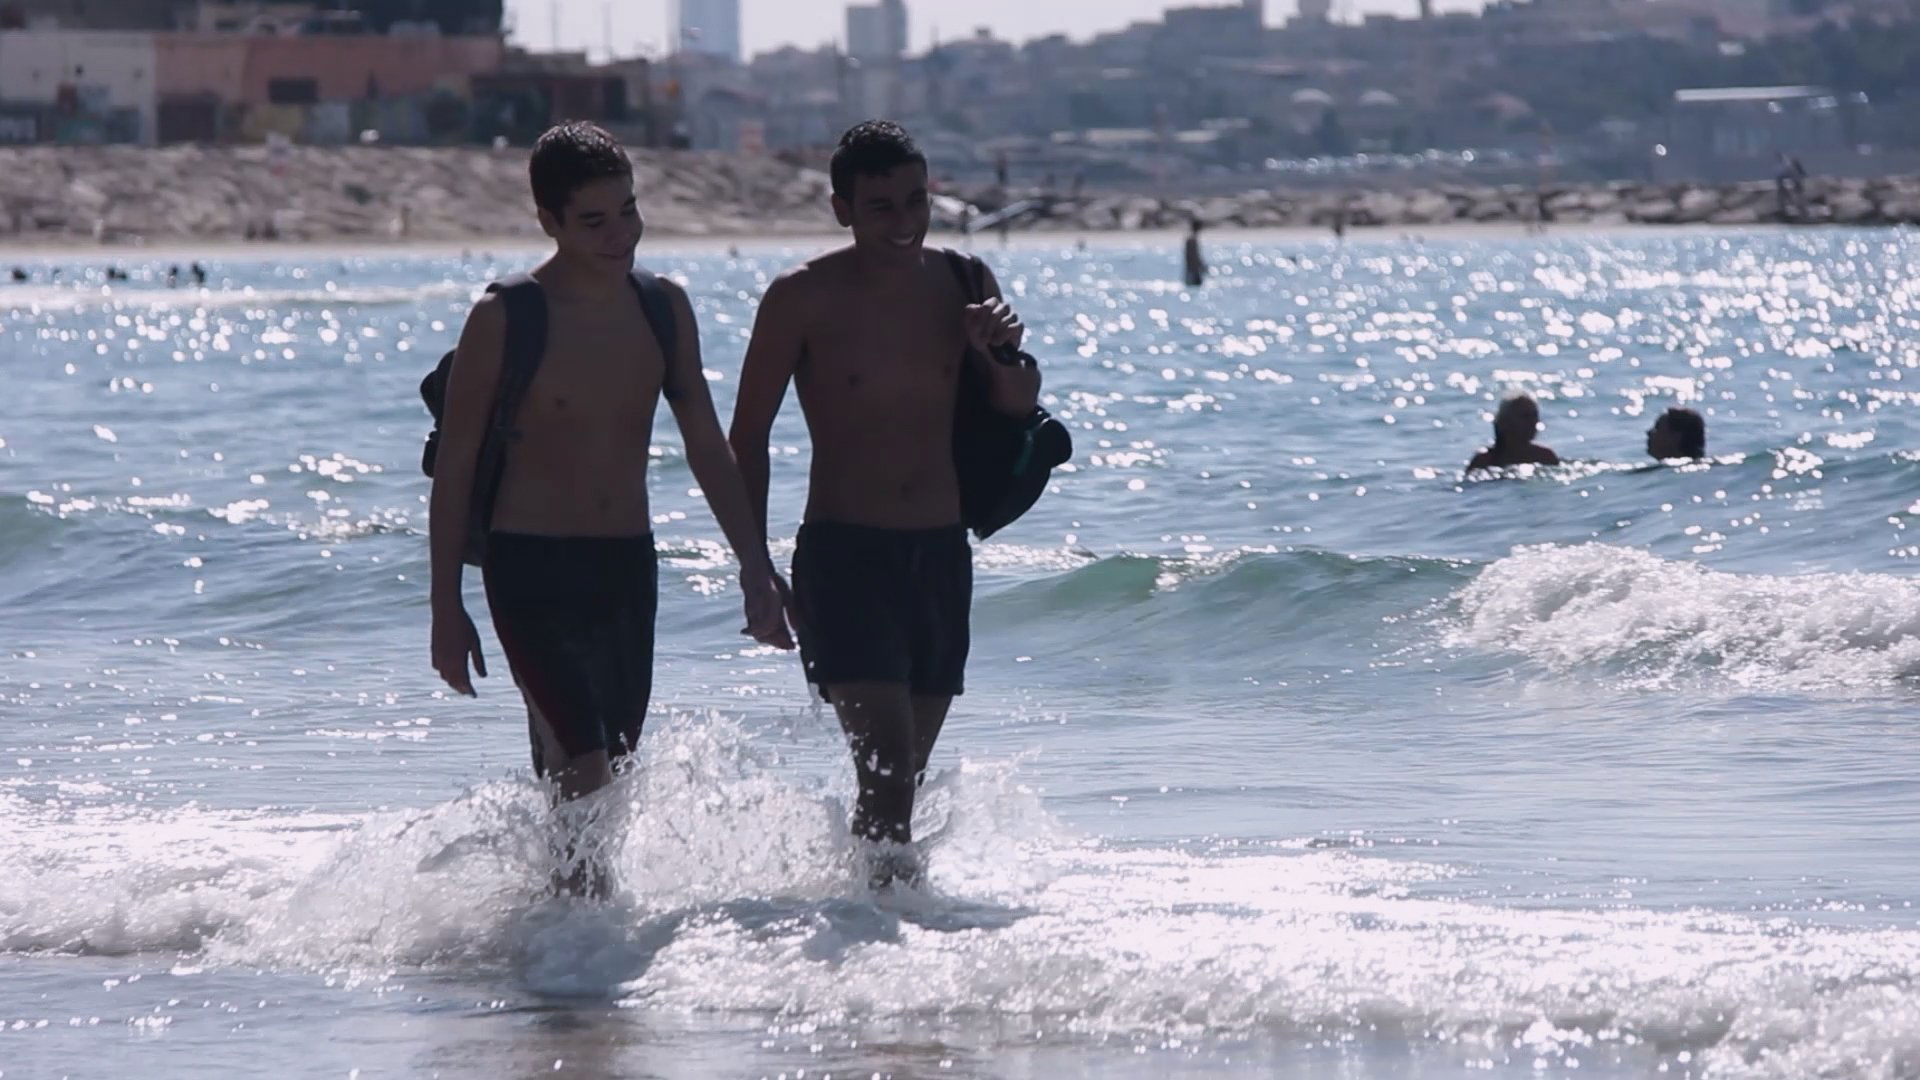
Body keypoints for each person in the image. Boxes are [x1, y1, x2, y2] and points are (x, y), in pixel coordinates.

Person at [428, 122, 792, 877]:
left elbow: (707, 446)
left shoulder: (662, 309)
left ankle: (560, 927)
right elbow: (456, 469)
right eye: (594, 221)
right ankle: (578, 930)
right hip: (529, 568)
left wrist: (755, 565)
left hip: (626, 568)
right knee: (585, 766)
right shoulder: (504, 317)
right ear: (549, 222)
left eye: (628, 211)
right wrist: (445, 607)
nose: (620, 234)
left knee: (605, 775)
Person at [728, 121, 1040, 886]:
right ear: (842, 209)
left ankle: (867, 917)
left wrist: (995, 351)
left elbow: (1019, 407)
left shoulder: (965, 280)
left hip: (940, 555)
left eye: (915, 201)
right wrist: (755, 569)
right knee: (891, 778)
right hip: (846, 557)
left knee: (900, 784)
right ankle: (883, 927)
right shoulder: (801, 296)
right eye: (881, 207)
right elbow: (747, 438)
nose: (904, 223)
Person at [1466, 393, 1560, 472]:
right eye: (1525, 416)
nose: (1533, 422)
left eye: (1534, 416)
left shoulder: (1545, 457)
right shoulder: (1484, 461)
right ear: (1505, 422)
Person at [1183, 217, 1207, 287]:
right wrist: (1201, 265)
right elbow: (1194, 255)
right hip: (1193, 270)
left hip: (1191, 269)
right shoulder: (1192, 239)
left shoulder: (1191, 238)